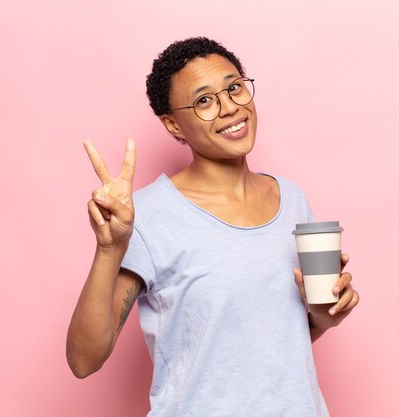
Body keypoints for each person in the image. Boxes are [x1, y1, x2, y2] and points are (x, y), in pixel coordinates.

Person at [66, 37, 359, 416]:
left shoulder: (293, 199)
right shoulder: (147, 215)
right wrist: (109, 249)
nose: (230, 108)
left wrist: (322, 317)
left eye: (234, 87)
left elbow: (270, 341)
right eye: (204, 100)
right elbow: (83, 360)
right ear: (173, 124)